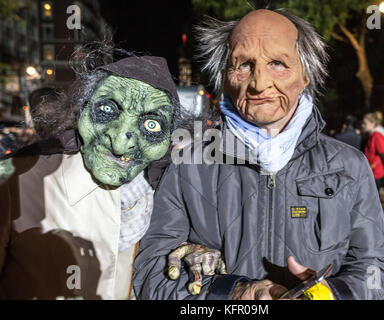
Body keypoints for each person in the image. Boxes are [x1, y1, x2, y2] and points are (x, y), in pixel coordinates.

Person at [133, 9, 384, 300]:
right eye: (243, 65)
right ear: (225, 76)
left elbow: (375, 269)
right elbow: (151, 273)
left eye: (277, 64)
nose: (259, 83)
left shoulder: (349, 166)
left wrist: (328, 295)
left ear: (305, 74)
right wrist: (229, 293)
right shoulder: (189, 166)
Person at [0, 49, 223, 299]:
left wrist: (188, 252)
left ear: (168, 138)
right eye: (107, 110)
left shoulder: (167, 196)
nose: (120, 143)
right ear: (82, 110)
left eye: (151, 124)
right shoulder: (15, 180)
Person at [361, 111, 384, 190]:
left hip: (375, 172)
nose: (362, 125)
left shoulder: (377, 136)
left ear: (373, 123)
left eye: (365, 123)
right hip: (371, 171)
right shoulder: (371, 135)